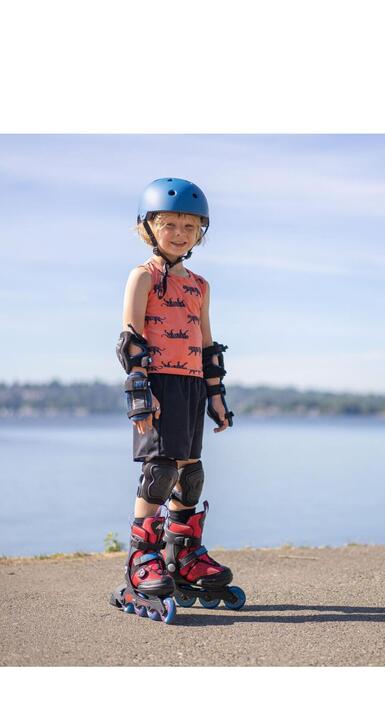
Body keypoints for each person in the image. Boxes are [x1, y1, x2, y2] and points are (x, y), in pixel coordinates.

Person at [109, 177, 245, 624]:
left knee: (190, 474)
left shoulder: (201, 286)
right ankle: (140, 559)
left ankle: (181, 555)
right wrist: (140, 395)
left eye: (190, 225)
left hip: (189, 386)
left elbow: (207, 348)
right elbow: (130, 341)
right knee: (160, 470)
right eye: (170, 224)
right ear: (148, 227)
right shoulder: (142, 276)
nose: (181, 233)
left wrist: (216, 398)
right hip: (158, 386)